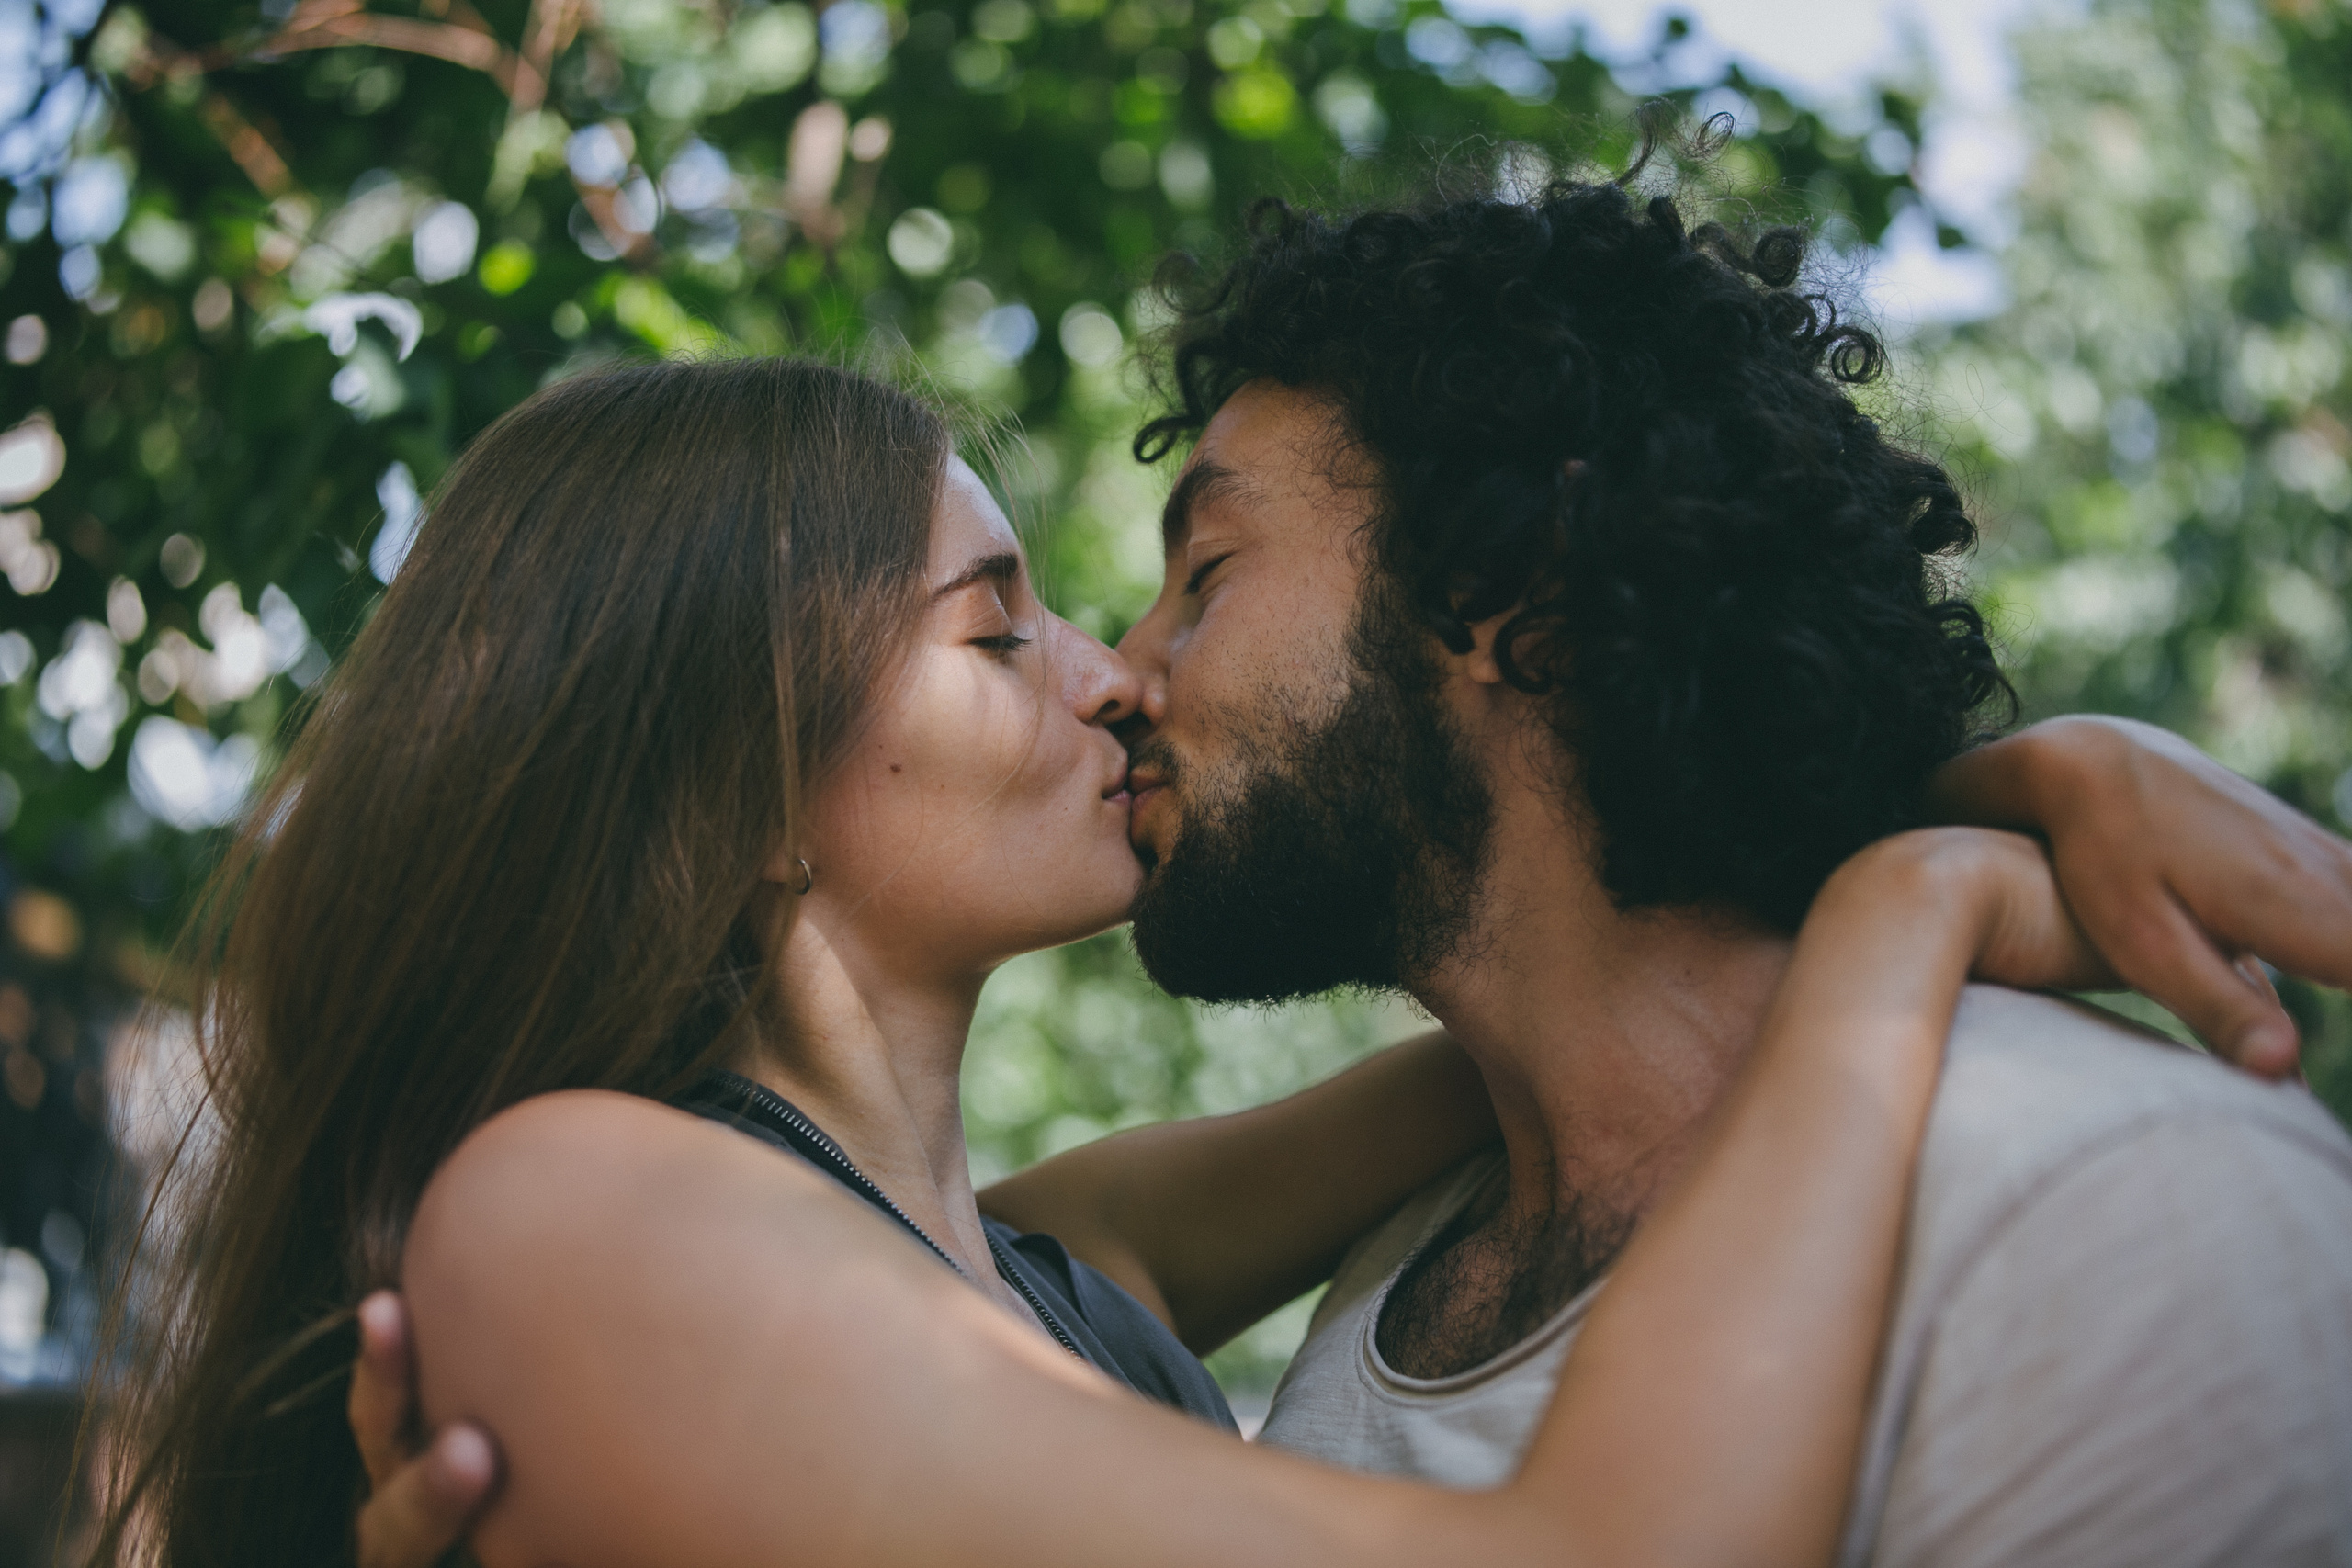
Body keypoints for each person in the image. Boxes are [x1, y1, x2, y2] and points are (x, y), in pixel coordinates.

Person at [346, 178, 2352, 1568]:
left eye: (1188, 575)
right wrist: (1920, 895)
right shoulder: (574, 1210)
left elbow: (1591, 982)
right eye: (996, 627)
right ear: (737, 779)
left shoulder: (1046, 1265)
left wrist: (1984, 784)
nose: (1115, 675)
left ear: (1498, 598)